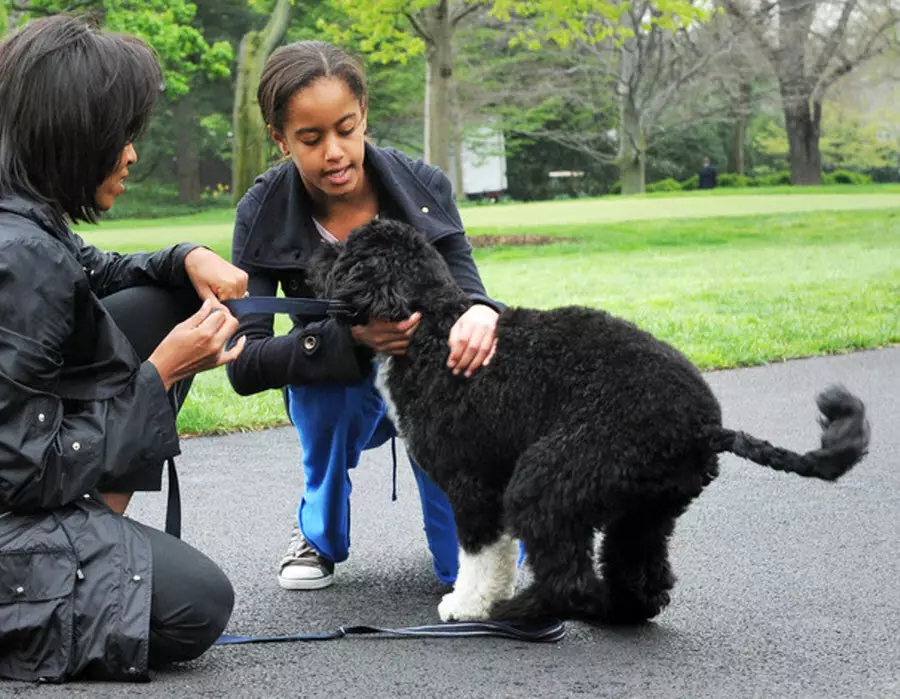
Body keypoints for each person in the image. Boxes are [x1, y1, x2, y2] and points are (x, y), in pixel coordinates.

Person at [0, 16, 249, 682]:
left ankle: (86, 534)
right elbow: (18, 470)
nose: (132, 155)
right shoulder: (17, 258)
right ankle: (68, 552)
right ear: (74, 138)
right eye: (121, 138)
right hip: (11, 502)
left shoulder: (24, 217)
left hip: (21, 486)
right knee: (197, 605)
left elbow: (98, 271)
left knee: (162, 298)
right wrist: (163, 370)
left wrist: (183, 256)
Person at [227, 41, 504, 591]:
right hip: (337, 389)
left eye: (346, 129)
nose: (334, 151)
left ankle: (480, 523)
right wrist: (348, 337)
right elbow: (243, 362)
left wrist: (481, 315)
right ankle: (318, 533)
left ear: (364, 117)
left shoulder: (425, 187)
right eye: (310, 138)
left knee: (468, 574)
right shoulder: (260, 211)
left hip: (431, 385)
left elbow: (472, 293)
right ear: (280, 139)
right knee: (325, 388)